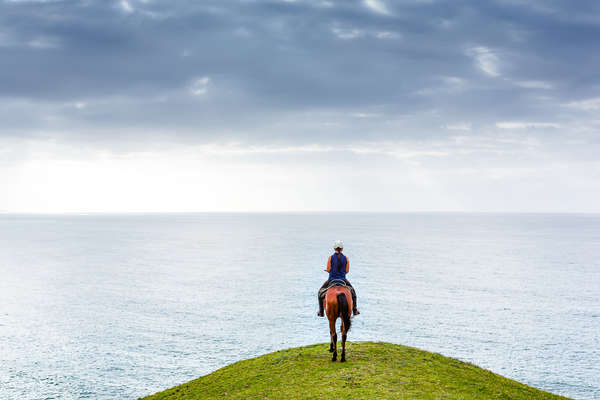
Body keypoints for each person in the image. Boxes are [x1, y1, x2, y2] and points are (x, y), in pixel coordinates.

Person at [317, 240, 359, 317]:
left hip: (331, 279)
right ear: (342, 249)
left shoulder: (330, 258)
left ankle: (321, 311)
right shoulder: (346, 258)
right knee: (353, 293)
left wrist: (328, 270)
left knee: (320, 293)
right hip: (343, 279)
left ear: (334, 248)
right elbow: (347, 271)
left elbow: (329, 269)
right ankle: (355, 310)